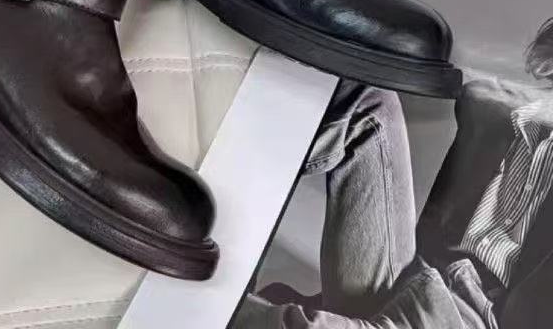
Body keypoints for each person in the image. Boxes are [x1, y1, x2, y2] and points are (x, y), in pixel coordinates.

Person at [235, 19, 553, 328]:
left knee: (300, 324)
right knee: (369, 107)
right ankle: (223, 154)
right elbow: (481, 95)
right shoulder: (515, 113)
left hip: (473, 319)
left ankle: (210, 297)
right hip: (421, 274)